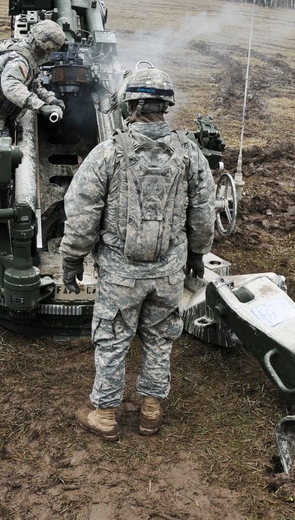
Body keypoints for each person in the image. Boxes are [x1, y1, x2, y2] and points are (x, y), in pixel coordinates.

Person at [60, 65, 216, 441]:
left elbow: (82, 211)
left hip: (121, 272)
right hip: (168, 270)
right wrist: (197, 255)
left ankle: (105, 414)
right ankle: (151, 410)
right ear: (166, 107)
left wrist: (71, 258)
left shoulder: (108, 152)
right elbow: (204, 212)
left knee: (113, 340)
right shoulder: (190, 153)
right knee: (160, 338)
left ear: (129, 105)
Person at [0, 19, 67, 140]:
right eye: (47, 51)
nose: (47, 56)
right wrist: (41, 107)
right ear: (39, 46)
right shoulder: (18, 61)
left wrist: (51, 100)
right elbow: (12, 87)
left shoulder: (23, 49)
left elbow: (34, 85)